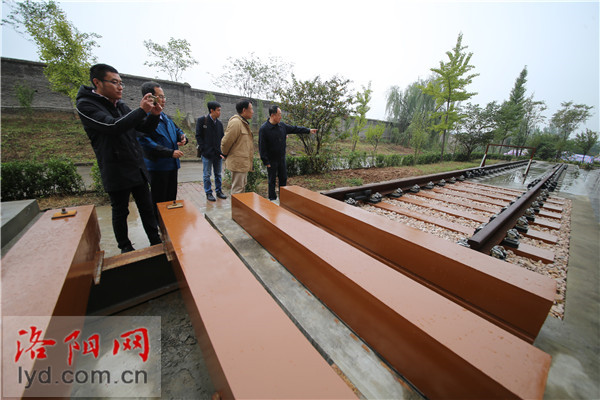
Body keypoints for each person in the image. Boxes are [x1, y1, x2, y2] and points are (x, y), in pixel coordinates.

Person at [76, 64, 162, 253]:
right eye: (114, 82)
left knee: (147, 207)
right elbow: (112, 126)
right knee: (121, 210)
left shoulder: (120, 104)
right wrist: (141, 110)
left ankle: (155, 241)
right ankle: (125, 247)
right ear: (97, 82)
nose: (120, 87)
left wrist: (154, 115)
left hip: (136, 165)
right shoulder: (86, 105)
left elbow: (143, 127)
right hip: (115, 168)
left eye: (121, 83)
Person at [138, 81, 188, 217]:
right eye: (160, 97)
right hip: (158, 167)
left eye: (164, 97)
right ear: (150, 97)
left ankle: (169, 223)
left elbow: (178, 130)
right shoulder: (143, 119)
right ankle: (159, 224)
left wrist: (183, 137)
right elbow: (146, 143)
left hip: (172, 165)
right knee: (159, 201)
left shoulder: (165, 117)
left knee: (171, 199)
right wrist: (169, 153)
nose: (163, 100)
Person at [259, 106, 316, 200]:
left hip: (281, 158)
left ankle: (283, 198)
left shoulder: (282, 126)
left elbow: (295, 129)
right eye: (279, 115)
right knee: (271, 180)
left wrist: (308, 130)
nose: (280, 117)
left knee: (283, 178)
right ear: (272, 115)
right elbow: (262, 146)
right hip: (271, 160)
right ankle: (272, 199)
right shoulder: (264, 129)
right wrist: (265, 161)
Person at [221, 99, 254, 195]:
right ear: (244, 110)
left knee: (241, 188)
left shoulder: (243, 123)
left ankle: (238, 205)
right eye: (251, 109)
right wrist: (225, 154)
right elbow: (226, 142)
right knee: (238, 190)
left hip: (242, 164)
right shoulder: (236, 123)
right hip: (238, 163)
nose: (253, 112)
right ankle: (235, 205)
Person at [196, 101, 226, 202]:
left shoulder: (219, 124)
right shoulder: (202, 121)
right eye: (218, 110)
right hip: (207, 154)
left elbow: (222, 138)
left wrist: (222, 152)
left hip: (217, 154)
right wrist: (203, 149)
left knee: (218, 174)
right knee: (207, 174)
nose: (219, 112)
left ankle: (219, 191)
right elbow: (198, 136)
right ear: (212, 110)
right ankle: (208, 192)